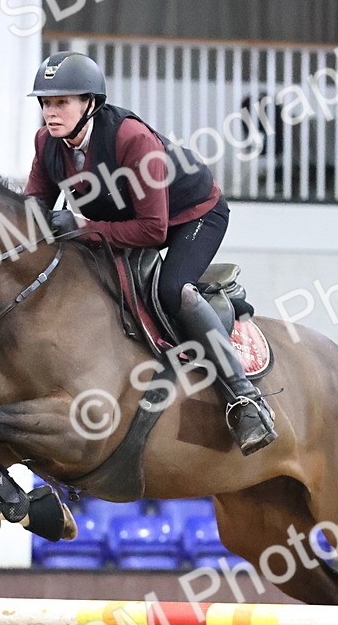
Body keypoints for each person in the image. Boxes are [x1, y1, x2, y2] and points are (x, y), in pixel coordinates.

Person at [23, 51, 277, 456]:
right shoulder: (47, 144)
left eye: (61, 103)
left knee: (172, 289)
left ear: (90, 103)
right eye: (46, 103)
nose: (50, 113)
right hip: (127, 222)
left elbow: (152, 230)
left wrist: (82, 227)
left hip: (192, 215)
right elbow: (34, 206)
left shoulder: (130, 139)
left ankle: (245, 401)